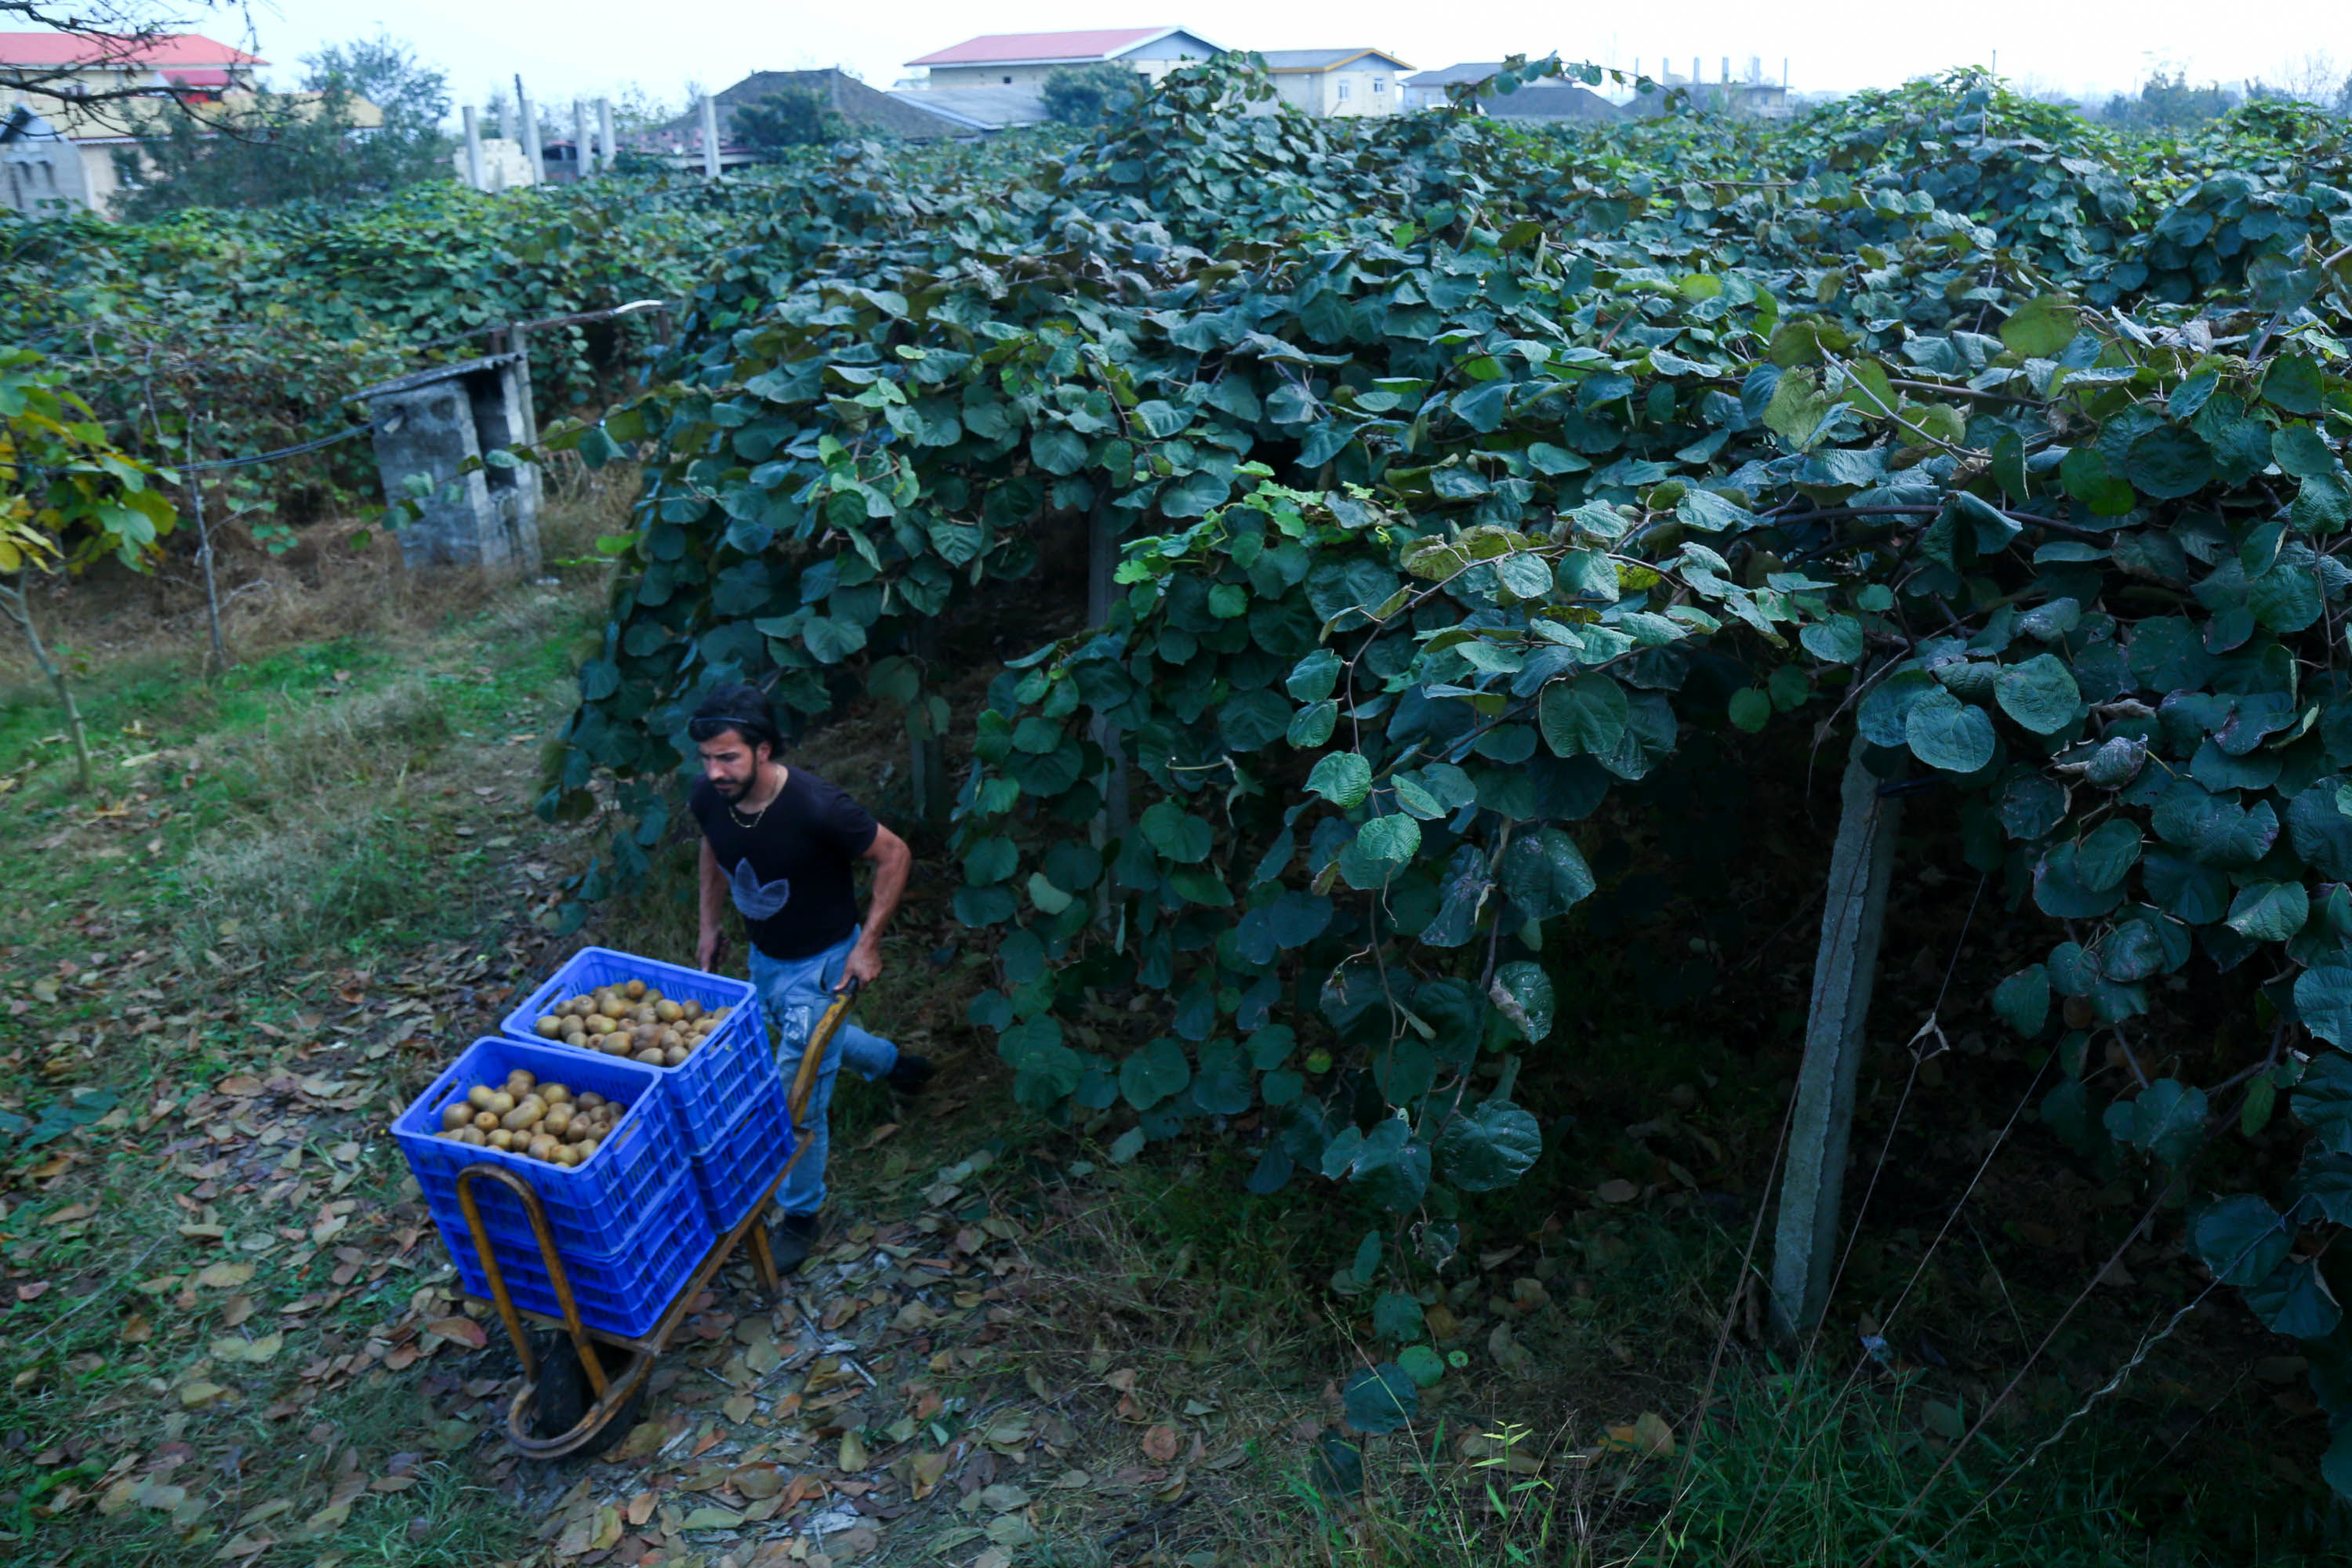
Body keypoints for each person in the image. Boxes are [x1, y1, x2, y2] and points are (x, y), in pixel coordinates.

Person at [687, 684, 930, 1271]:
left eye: (728, 758)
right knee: (811, 1037)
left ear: (763, 749)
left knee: (795, 1096)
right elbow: (713, 849)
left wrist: (867, 945)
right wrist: (709, 923)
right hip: (764, 960)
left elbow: (894, 854)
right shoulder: (711, 795)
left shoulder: (817, 807)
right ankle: (899, 1068)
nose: (715, 771)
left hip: (822, 965)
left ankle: (801, 1214)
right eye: (706, 758)